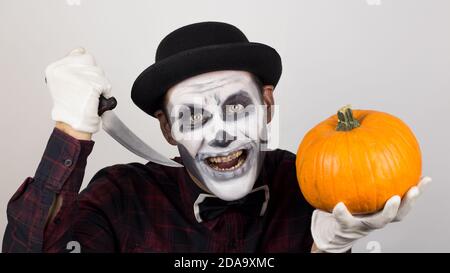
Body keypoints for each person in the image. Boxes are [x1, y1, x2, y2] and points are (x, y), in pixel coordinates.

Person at [2, 22, 431, 253]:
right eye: (192, 116)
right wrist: (70, 132)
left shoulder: (312, 186)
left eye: (237, 109)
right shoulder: (121, 195)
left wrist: (328, 250)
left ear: (266, 105)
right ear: (167, 129)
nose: (221, 136)